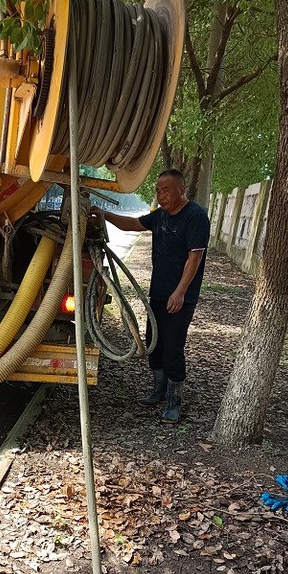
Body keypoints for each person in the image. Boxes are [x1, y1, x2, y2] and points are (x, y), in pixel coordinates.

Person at [92, 169, 210, 423]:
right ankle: (158, 390)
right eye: (158, 190)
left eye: (166, 189)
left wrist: (180, 292)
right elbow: (132, 224)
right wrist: (104, 215)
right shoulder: (160, 217)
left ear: (181, 189)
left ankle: (174, 401)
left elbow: (195, 257)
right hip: (158, 293)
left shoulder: (195, 217)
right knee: (153, 343)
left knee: (173, 347)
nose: (161, 194)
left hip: (180, 296)